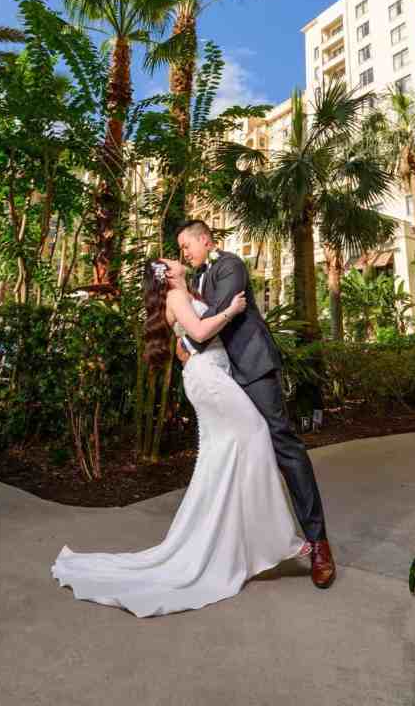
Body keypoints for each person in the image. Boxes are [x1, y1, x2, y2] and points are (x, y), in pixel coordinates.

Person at [51, 257, 310, 617]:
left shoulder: (187, 292)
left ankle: (237, 541)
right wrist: (233, 309)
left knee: (224, 455)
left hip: (214, 374)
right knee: (255, 434)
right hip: (209, 378)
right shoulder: (176, 296)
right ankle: (277, 539)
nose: (179, 257)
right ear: (167, 274)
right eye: (173, 258)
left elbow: (187, 338)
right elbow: (201, 333)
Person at [176, 219, 336, 590]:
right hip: (223, 377)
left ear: (205, 239)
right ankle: (249, 546)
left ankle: (319, 543)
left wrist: (189, 344)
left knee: (284, 445)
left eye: (187, 245)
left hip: (252, 367)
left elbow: (218, 312)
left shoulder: (230, 264)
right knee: (236, 453)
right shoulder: (196, 280)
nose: (185, 252)